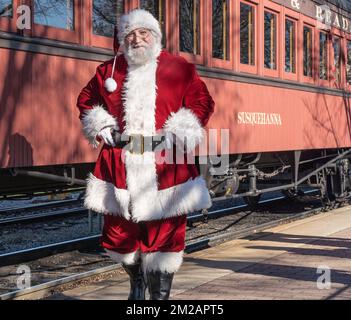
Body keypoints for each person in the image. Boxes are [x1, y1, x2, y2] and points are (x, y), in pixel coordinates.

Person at [76, 9, 214, 300]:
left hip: (167, 166)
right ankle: (136, 282)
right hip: (120, 165)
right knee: (120, 236)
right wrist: (101, 124)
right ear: (122, 40)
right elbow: (86, 100)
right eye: (130, 34)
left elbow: (202, 101)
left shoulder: (178, 68)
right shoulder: (108, 71)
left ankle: (159, 299)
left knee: (166, 237)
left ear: (155, 36)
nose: (137, 39)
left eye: (143, 32)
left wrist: (181, 128)